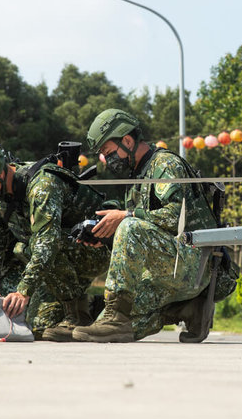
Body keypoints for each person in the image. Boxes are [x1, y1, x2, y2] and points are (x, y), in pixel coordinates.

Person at [72, 109, 219, 343]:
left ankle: (118, 314)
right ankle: (191, 309)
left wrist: (124, 217)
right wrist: (104, 234)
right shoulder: (139, 174)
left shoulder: (164, 164)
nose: (108, 161)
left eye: (109, 153)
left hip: (192, 264)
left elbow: (173, 217)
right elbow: (149, 225)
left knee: (129, 226)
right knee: (118, 326)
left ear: (128, 141)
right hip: (171, 267)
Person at [0, 143, 110, 341]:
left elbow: (47, 243)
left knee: (29, 246)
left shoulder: (42, 185)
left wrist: (23, 291)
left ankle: (78, 315)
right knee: (37, 328)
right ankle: (94, 307)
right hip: (55, 262)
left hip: (94, 251)